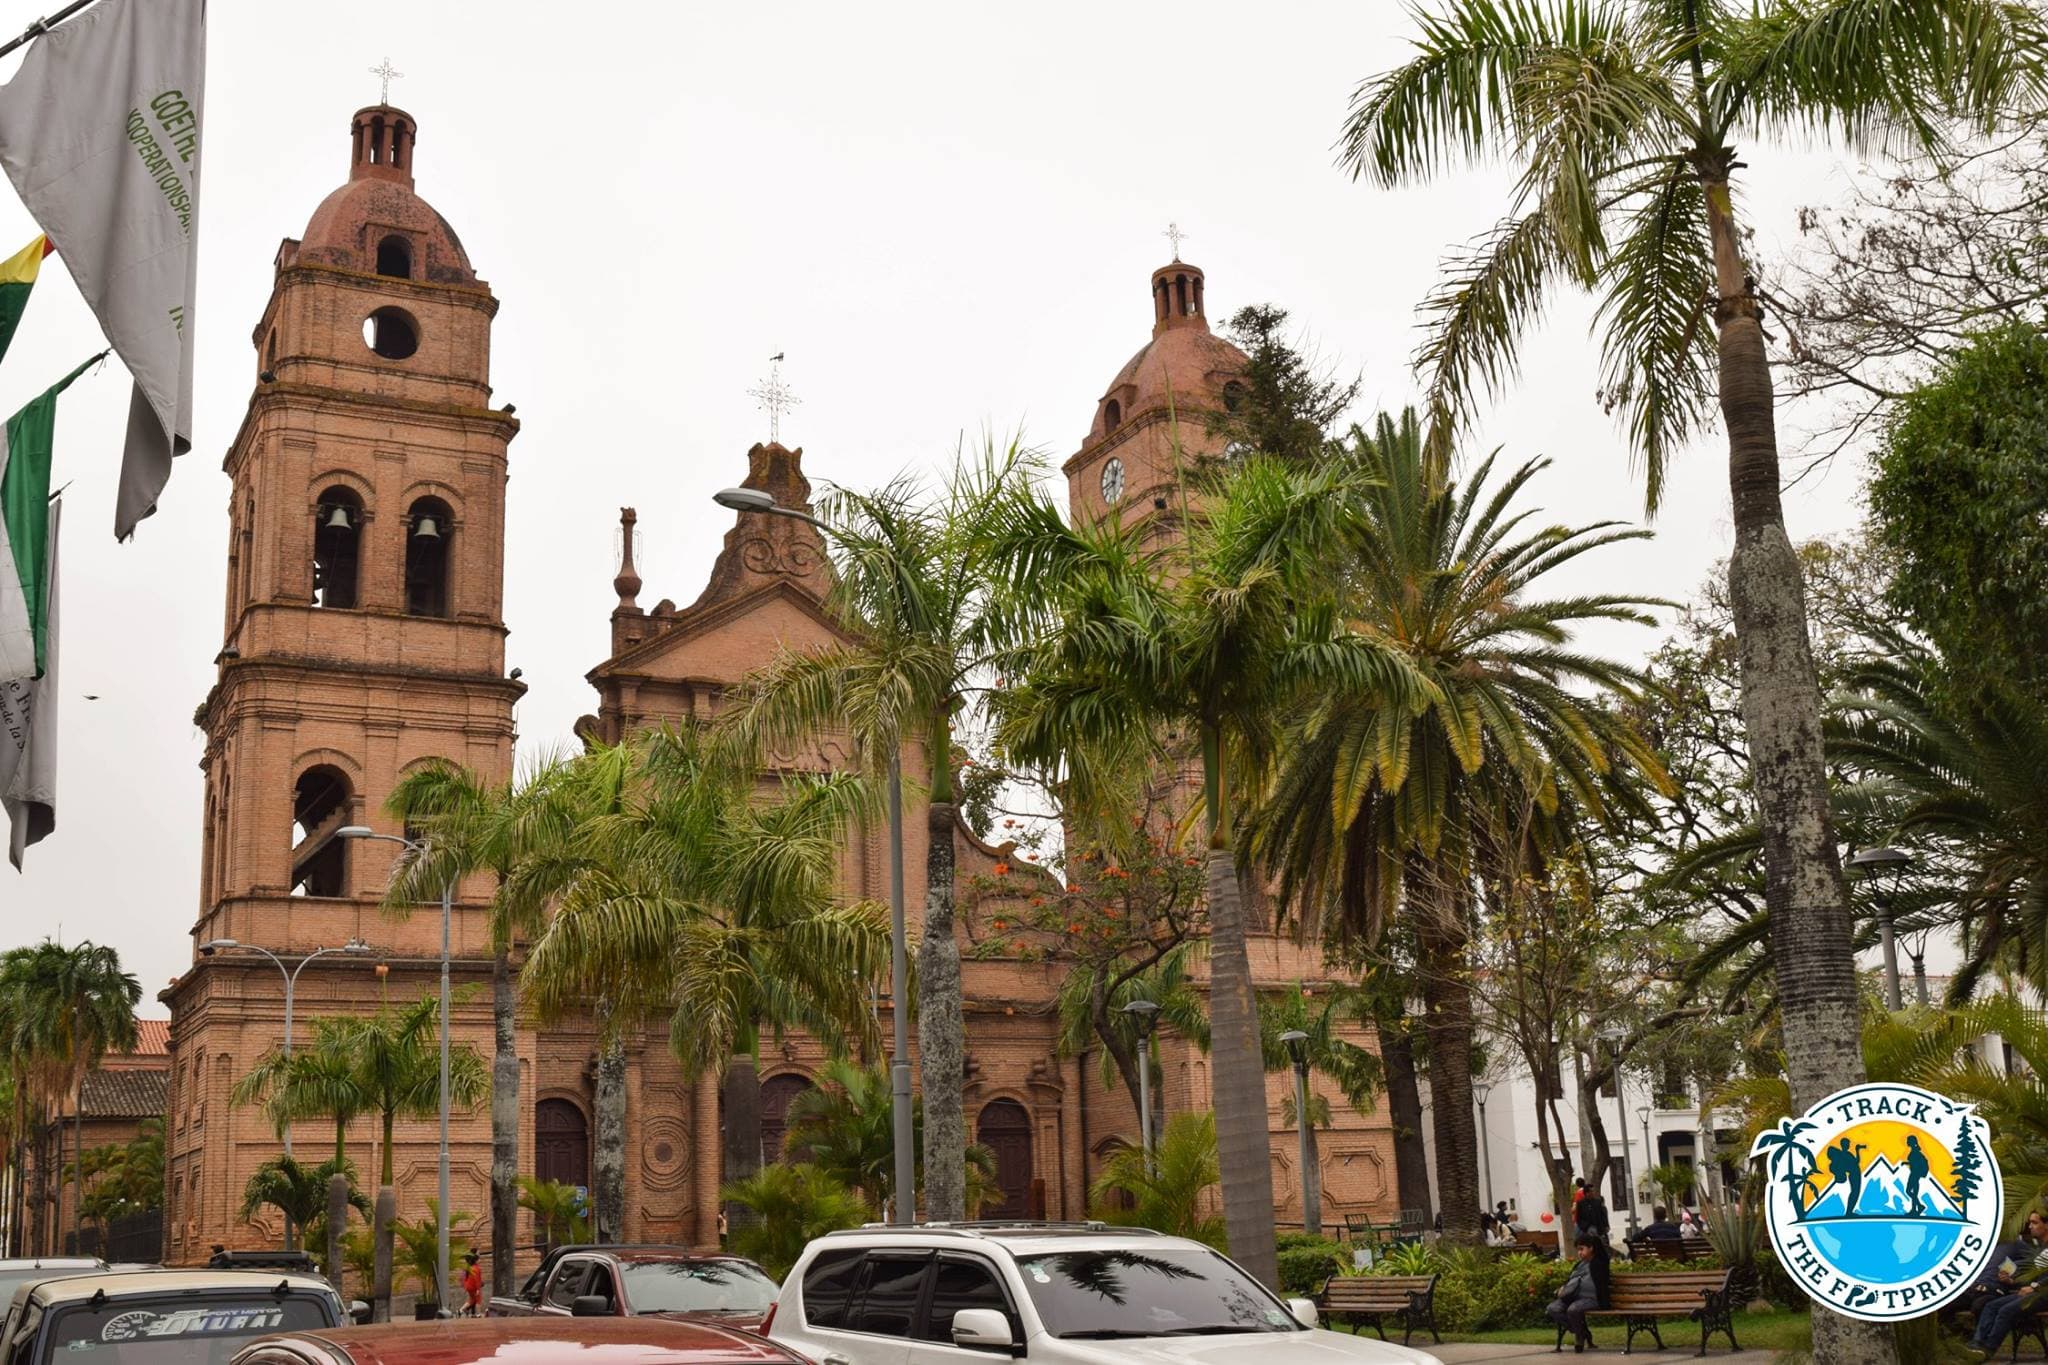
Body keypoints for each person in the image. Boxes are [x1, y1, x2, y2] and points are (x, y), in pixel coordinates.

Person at [1970, 1210, 2048, 1358]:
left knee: (2006, 1311)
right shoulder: (2040, 1249)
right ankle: (1976, 1345)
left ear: (2046, 1225)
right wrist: (2011, 1281)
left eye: (2034, 1222)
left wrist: (2034, 1287)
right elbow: (2033, 1277)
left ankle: (1988, 1351)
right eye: (2030, 1222)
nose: (2030, 1226)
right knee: (1991, 1306)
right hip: (2034, 1293)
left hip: (2043, 1295)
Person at [1546, 1233, 1613, 1353]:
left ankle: (1579, 1337)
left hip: (1592, 1299)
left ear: (1591, 1248)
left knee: (1573, 1310)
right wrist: (1563, 1287)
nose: (1579, 1253)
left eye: (1582, 1249)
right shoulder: (1579, 1264)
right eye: (1578, 1250)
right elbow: (1571, 1280)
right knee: (1553, 1308)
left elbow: (1604, 1260)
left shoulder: (1600, 1262)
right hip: (1572, 1297)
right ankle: (1582, 1331)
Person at [462, 1250, 484, 1317]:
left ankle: (461, 1310)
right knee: (478, 1299)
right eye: (478, 1259)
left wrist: (465, 1286)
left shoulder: (469, 1267)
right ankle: (478, 1314)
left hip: (469, 1286)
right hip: (473, 1286)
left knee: (472, 1300)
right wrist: (478, 1289)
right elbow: (476, 1279)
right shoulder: (476, 1268)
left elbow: (465, 1278)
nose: (480, 1260)